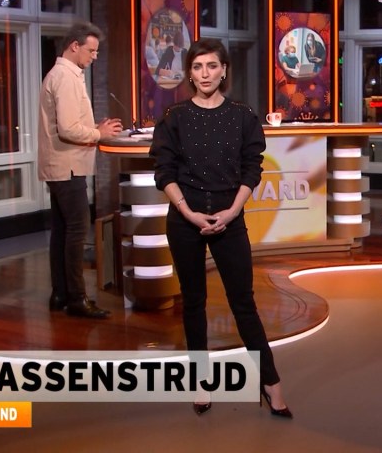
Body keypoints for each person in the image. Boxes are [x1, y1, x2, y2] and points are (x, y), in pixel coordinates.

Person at [150, 38, 292, 419]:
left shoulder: (243, 116)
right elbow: (164, 172)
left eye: (212, 66)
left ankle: (270, 383)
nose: (205, 74)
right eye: (197, 67)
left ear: (224, 70)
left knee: (243, 302)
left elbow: (251, 169)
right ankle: (200, 379)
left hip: (230, 218)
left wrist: (231, 212)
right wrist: (188, 212)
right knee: (193, 301)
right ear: (189, 73)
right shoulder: (174, 116)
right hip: (185, 220)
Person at [38, 22, 122, 319]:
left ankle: (61, 293)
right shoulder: (65, 77)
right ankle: (76, 298)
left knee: (62, 230)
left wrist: (95, 128)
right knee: (76, 230)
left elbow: (68, 124)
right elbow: (68, 129)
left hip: (62, 165)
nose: (95, 56)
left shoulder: (63, 74)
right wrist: (99, 134)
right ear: (74, 46)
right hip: (68, 166)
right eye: (92, 50)